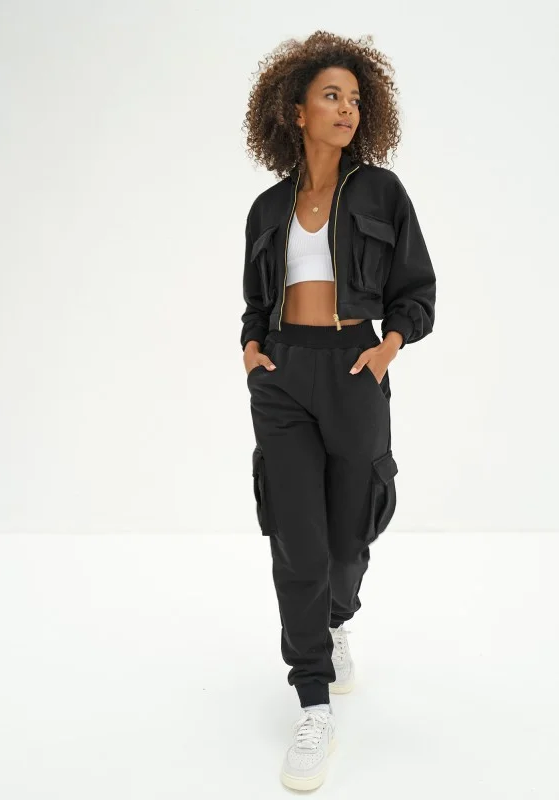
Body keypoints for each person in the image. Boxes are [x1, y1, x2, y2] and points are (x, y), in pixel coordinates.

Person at [240, 30, 436, 791]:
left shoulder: (382, 192)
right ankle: (312, 697)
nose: (347, 108)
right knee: (297, 538)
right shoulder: (267, 208)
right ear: (296, 111)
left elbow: (416, 290)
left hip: (355, 367)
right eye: (331, 96)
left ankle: (335, 617)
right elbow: (255, 301)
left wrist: (387, 348)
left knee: (350, 534)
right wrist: (252, 350)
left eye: (355, 98)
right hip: (284, 375)